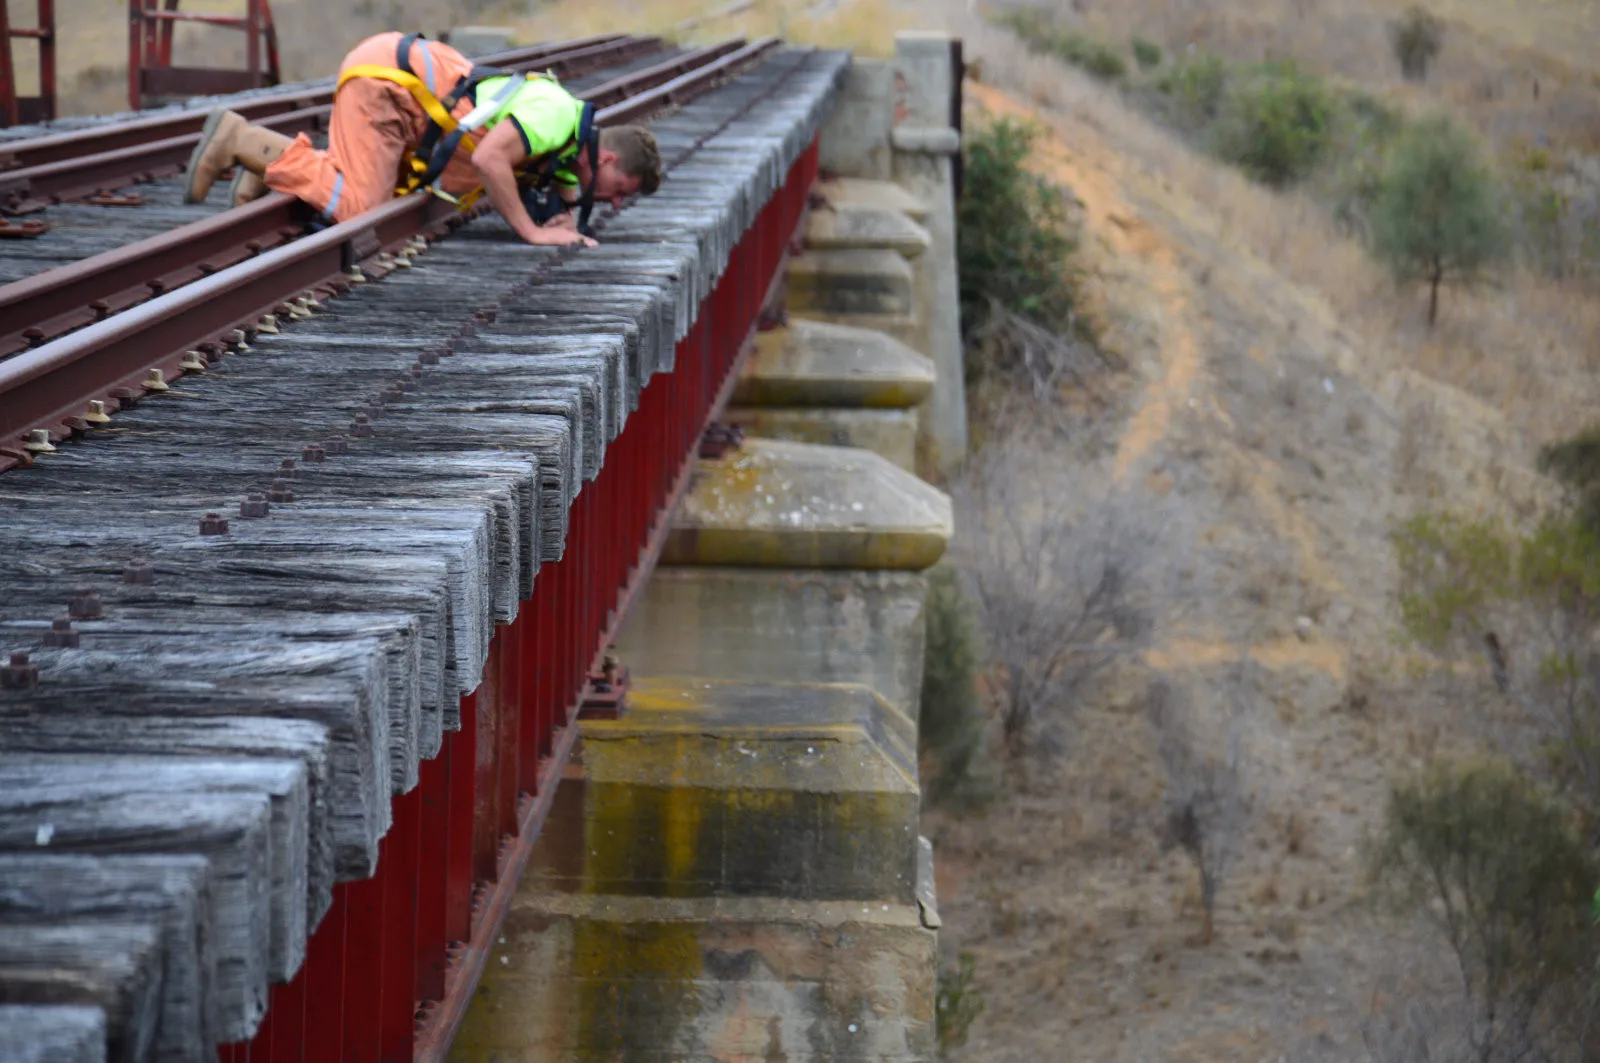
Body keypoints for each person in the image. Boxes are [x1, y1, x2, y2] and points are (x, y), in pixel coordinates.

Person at [183, 31, 662, 247]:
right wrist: (533, 232)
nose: (614, 204)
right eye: (619, 191)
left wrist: (565, 221)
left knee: (376, 193)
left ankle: (264, 166)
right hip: (388, 85)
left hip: (401, 93)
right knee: (361, 211)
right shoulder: (556, 117)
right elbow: (492, 159)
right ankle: (238, 138)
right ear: (609, 159)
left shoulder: (567, 148)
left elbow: (564, 191)